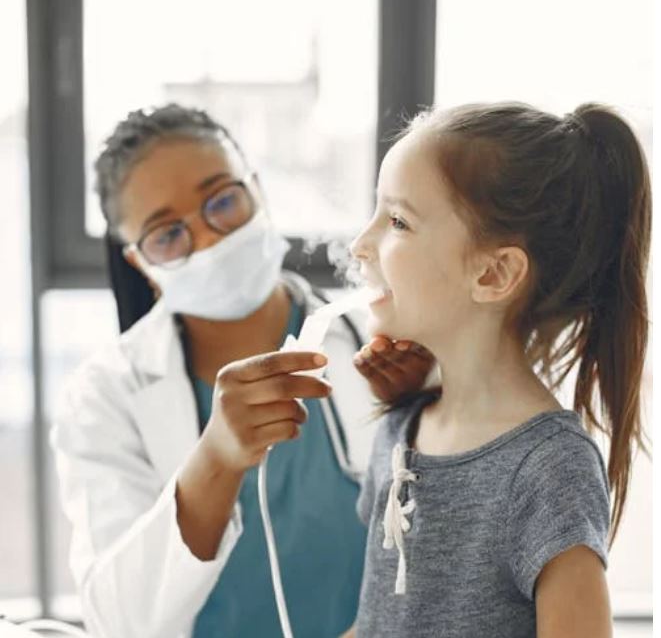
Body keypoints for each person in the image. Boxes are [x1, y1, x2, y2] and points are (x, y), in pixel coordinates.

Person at [51, 104, 435, 638]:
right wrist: (215, 461)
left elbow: (452, 549)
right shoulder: (106, 396)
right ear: (142, 264)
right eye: (168, 234)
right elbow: (120, 623)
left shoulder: (383, 348)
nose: (209, 240)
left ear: (259, 191)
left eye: (223, 201)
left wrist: (425, 414)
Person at [345, 102, 650, 637]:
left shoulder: (549, 469)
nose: (360, 245)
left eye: (397, 221)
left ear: (494, 273)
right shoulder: (400, 429)